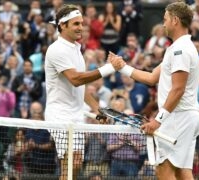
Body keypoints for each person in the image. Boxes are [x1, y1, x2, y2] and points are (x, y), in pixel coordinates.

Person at [109, 2, 199, 179]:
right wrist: (122, 67)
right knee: (183, 173)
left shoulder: (180, 50)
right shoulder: (176, 48)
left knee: (164, 171)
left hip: (178, 118)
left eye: (165, 19)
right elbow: (152, 78)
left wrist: (158, 120)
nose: (163, 24)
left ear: (175, 20)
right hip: (185, 117)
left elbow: (178, 89)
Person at [44, 4, 121, 180]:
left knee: (75, 164)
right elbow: (76, 79)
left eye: (81, 23)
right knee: (71, 162)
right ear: (62, 25)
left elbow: (80, 87)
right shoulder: (57, 50)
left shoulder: (76, 49)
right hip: (60, 114)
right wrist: (109, 68)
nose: (81, 27)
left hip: (76, 113)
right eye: (76, 24)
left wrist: (96, 108)